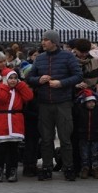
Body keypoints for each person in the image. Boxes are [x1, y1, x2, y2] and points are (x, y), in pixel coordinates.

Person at [25, 30, 83, 181]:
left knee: (65, 138)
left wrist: (62, 83)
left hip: (63, 103)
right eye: (42, 39)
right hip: (44, 103)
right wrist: (39, 80)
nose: (43, 42)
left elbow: (78, 75)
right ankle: (47, 167)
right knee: (46, 139)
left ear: (54, 42)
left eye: (46, 40)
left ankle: (68, 167)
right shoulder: (40, 58)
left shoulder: (68, 56)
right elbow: (29, 77)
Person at [0, 68, 33, 182]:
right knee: (1, 149)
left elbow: (29, 96)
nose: (13, 81)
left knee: (13, 150)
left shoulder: (19, 91)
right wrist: (5, 86)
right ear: (5, 79)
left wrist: (20, 85)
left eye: (15, 78)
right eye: (10, 78)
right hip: (2, 121)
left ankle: (12, 170)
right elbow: (1, 98)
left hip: (15, 122)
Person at [75, 89, 98, 179]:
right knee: (84, 154)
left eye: (93, 102)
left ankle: (95, 168)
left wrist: (97, 95)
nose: (91, 104)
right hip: (83, 136)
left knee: (94, 154)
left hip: (95, 136)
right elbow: (75, 106)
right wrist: (80, 97)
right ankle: (85, 168)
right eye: (89, 102)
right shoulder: (80, 110)